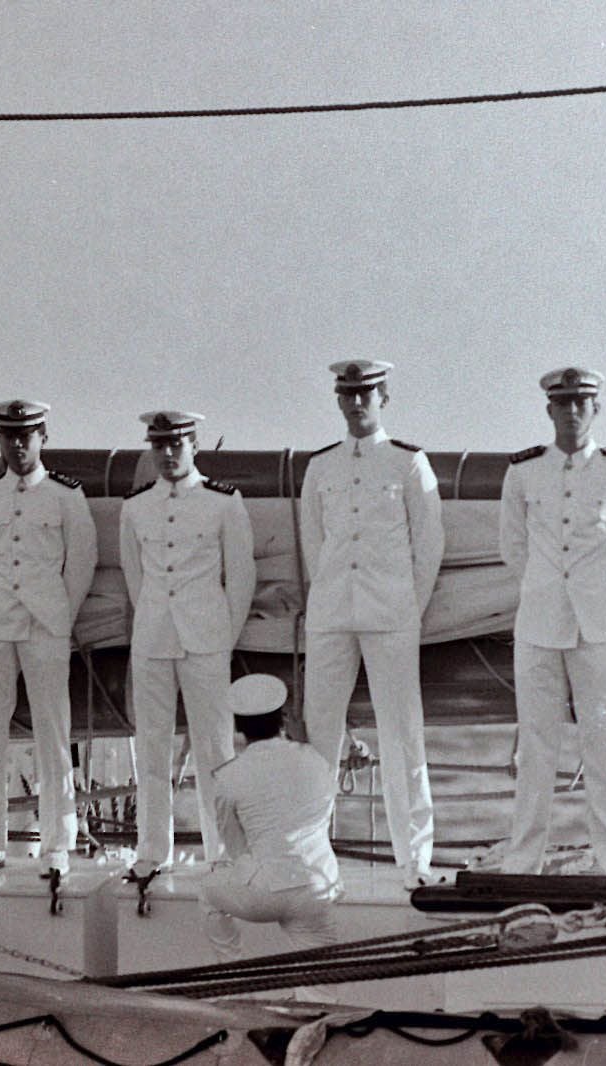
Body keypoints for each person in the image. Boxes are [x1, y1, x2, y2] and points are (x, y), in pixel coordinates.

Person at [499, 367, 606, 875]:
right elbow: (513, 547)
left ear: (596, 409)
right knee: (535, 748)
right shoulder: (523, 472)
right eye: (563, 404)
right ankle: (523, 861)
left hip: (600, 627)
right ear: (549, 410)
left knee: (605, 744)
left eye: (581, 403)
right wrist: (547, 589)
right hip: (540, 624)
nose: (572, 413)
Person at [299, 359, 444, 889]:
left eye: (366, 393)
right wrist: (334, 593)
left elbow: (429, 546)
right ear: (339, 400)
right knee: (321, 738)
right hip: (333, 613)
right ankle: (311, 858)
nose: (356, 403)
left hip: (391, 614)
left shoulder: (408, 464)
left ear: (384, 396)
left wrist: (407, 605)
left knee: (402, 735)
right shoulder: (321, 468)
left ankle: (415, 860)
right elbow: (314, 544)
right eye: (348, 394)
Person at [0, 400, 97, 877]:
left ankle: (58, 843)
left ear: (43, 437)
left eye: (27, 435)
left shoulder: (65, 496)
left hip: (45, 623)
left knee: (52, 732)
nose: (18, 445)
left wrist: (60, 614)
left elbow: (81, 563)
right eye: (9, 436)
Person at [119, 410, 254, 872]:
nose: (168, 453)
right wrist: (156, 619)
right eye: (159, 445)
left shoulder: (223, 502)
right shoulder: (135, 506)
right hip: (153, 638)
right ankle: (153, 851)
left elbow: (240, 578)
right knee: (151, 746)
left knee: (216, 749)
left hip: (206, 639)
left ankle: (224, 852)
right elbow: (135, 577)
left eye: (177, 444)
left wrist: (221, 635)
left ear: (194, 444)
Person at [200, 673, 341, 984]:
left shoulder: (229, 777)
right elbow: (324, 813)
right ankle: (317, 1015)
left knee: (208, 892)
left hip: (264, 893)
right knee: (318, 981)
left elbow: (235, 846)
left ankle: (237, 980)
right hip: (319, 885)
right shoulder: (317, 761)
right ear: (282, 719)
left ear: (238, 726)